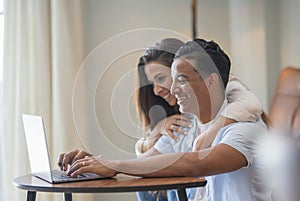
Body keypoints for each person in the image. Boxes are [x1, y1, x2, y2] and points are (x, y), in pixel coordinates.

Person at [59, 38, 272, 201]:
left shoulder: (245, 130)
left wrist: (114, 165)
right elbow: (141, 166)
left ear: (211, 81)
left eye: (180, 79)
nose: (170, 90)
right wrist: (93, 165)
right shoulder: (185, 126)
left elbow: (195, 164)